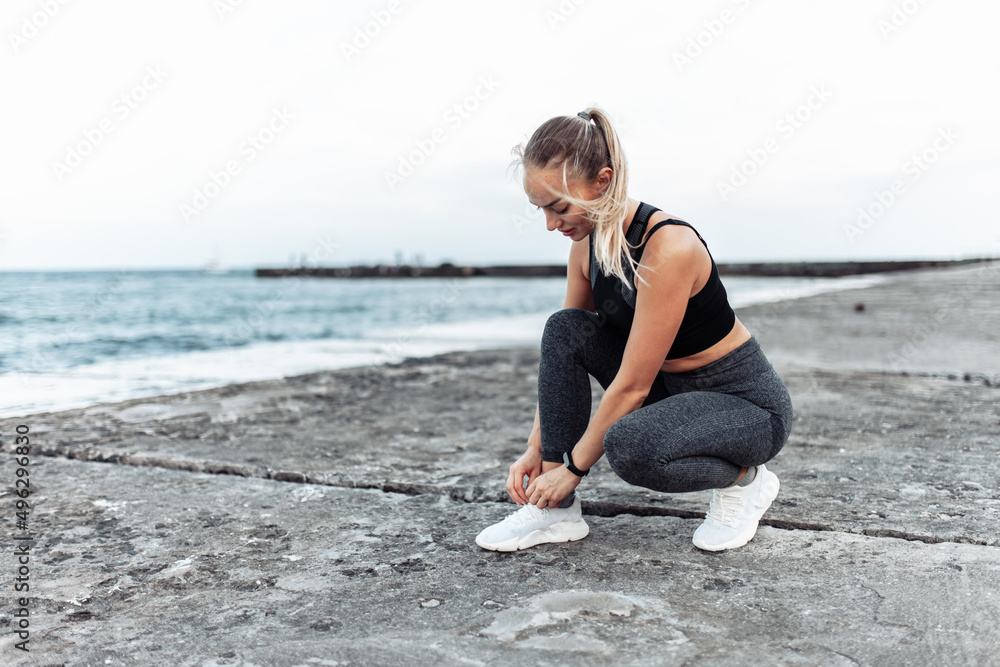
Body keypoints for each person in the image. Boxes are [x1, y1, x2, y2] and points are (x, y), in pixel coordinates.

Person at [475, 108, 793, 553]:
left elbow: (632, 387)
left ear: (602, 181)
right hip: (674, 397)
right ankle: (554, 510)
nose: (551, 224)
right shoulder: (585, 244)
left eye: (559, 207)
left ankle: (747, 482)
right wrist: (538, 449)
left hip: (745, 408)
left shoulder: (668, 247)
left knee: (630, 448)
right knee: (564, 328)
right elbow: (562, 352)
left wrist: (573, 467)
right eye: (540, 210)